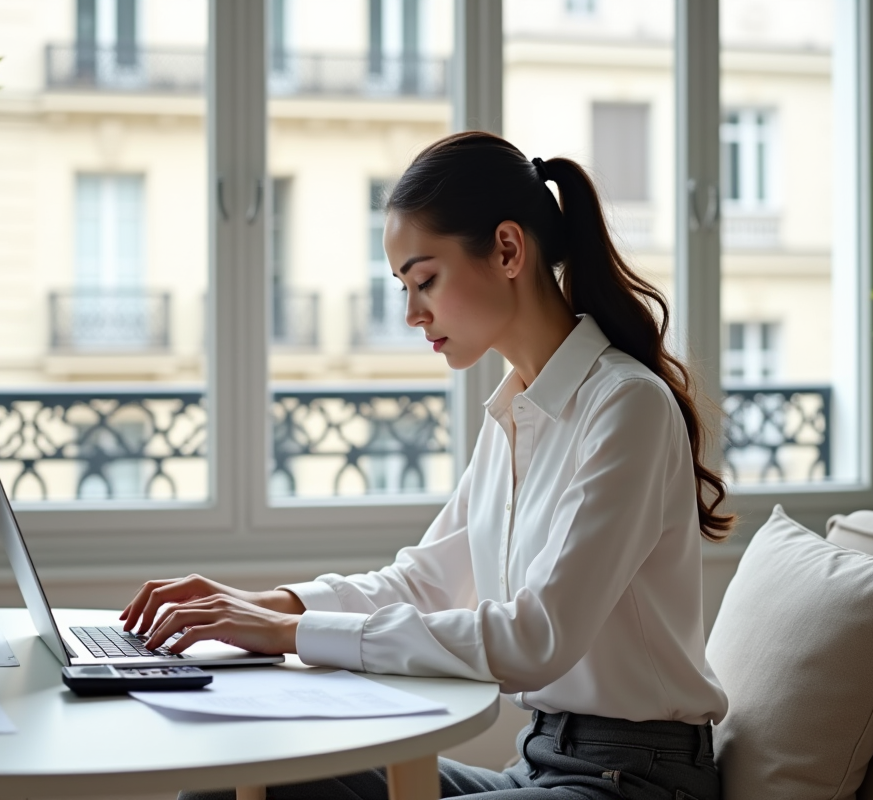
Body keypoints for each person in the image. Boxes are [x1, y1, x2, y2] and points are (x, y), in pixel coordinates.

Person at [120, 131, 733, 800]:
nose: (412, 313)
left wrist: (294, 632)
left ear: (507, 249)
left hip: (637, 781)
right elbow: (423, 582)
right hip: (539, 764)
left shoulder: (626, 407)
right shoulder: (513, 415)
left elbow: (537, 637)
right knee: (234, 787)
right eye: (404, 287)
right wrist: (265, 607)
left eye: (425, 280)